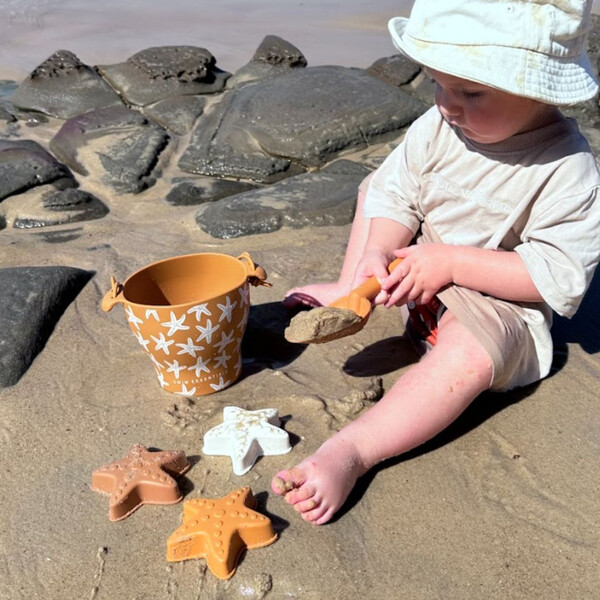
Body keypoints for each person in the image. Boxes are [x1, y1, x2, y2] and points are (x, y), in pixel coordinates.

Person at [270, 0, 600, 525]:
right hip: (417, 268)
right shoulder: (438, 126)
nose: (448, 105)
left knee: (466, 355)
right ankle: (353, 285)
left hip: (495, 303)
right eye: (437, 84)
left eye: (471, 92)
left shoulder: (566, 169)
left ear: (539, 89)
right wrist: (380, 250)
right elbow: (397, 194)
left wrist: (450, 264)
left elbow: (555, 276)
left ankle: (353, 451)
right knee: (375, 187)